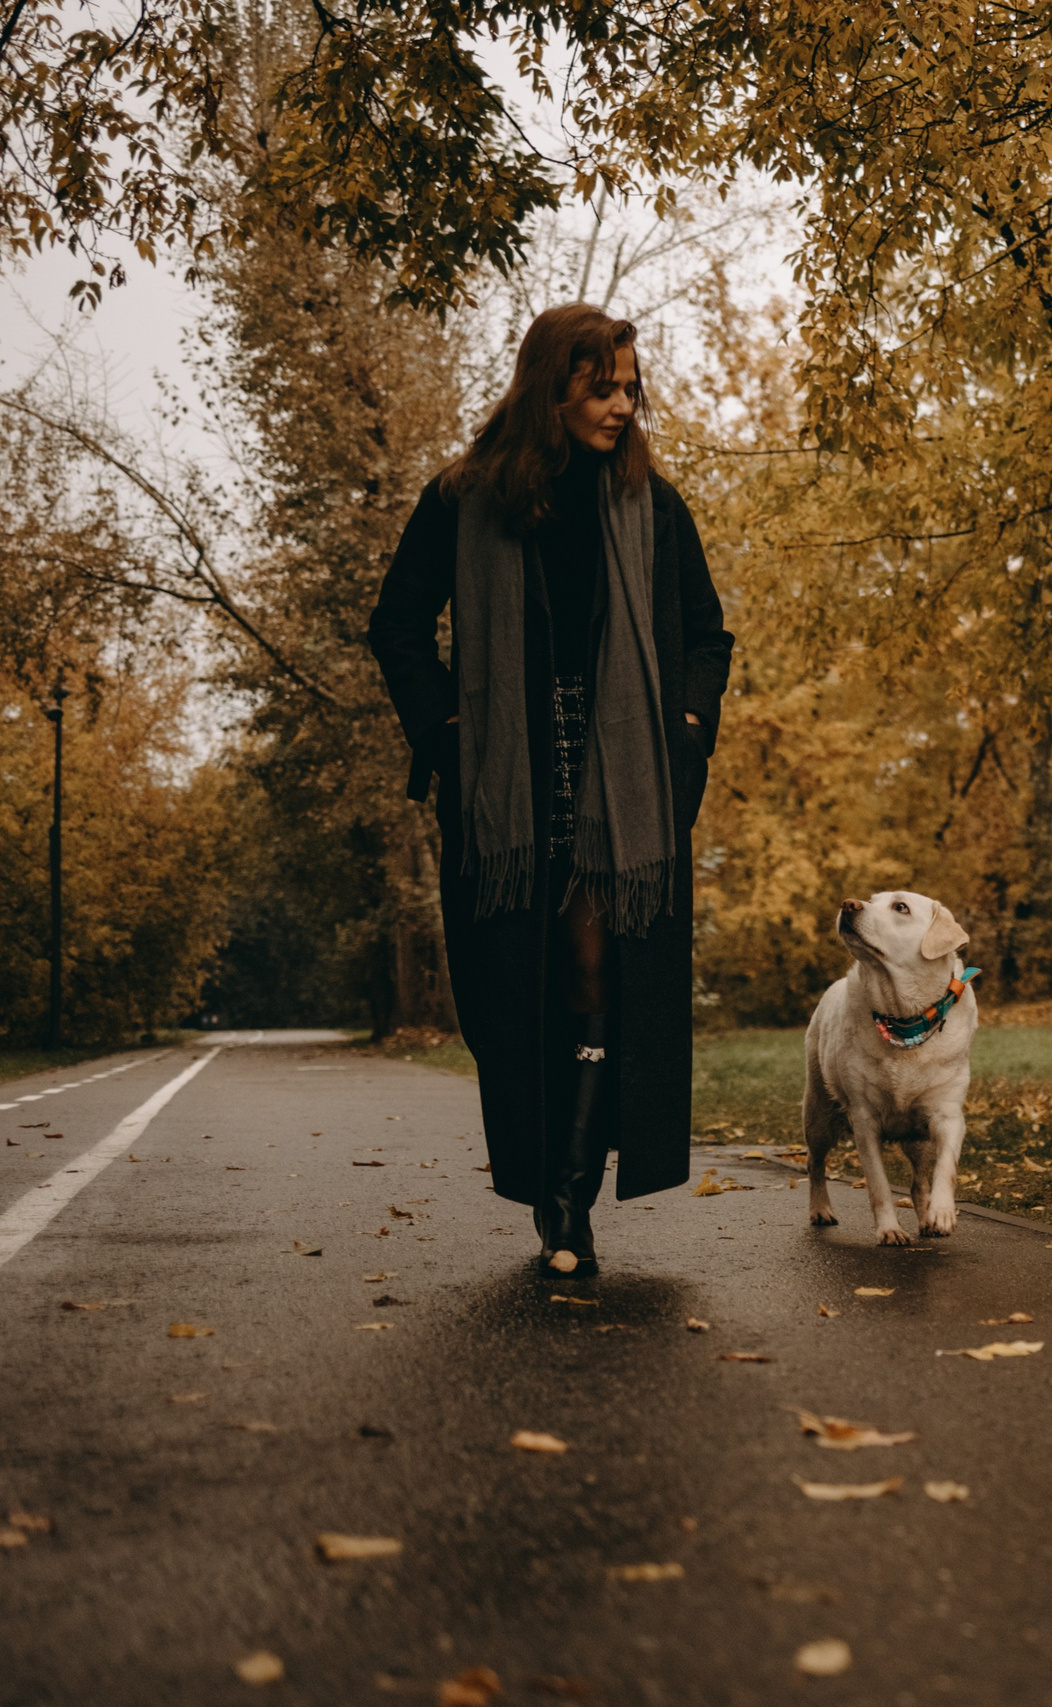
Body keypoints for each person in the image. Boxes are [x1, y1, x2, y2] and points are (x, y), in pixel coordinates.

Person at [368, 304, 734, 1276]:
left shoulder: (653, 506)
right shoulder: (464, 500)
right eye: (600, 386)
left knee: (593, 971)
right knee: (511, 996)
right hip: (509, 788)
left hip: (626, 783)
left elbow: (708, 636)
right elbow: (396, 625)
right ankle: (545, 1177)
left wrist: (687, 735)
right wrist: (448, 732)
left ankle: (568, 1203)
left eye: (628, 388)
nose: (621, 405)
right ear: (551, 387)